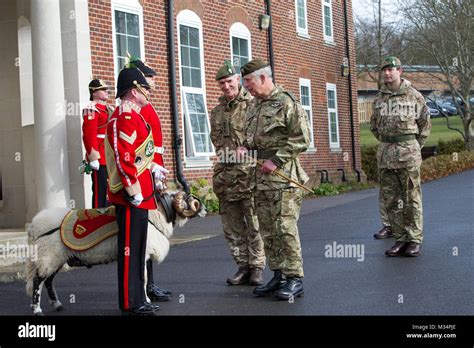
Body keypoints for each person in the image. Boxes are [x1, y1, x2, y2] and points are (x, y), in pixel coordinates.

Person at [238, 59, 310, 300]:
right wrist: (245, 149)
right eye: (244, 81)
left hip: (284, 178)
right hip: (260, 179)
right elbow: (253, 139)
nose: (245, 85)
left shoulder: (287, 103)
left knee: (285, 228)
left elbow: (301, 138)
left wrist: (276, 160)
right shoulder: (254, 106)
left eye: (248, 81)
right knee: (267, 229)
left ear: (263, 78)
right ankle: (278, 274)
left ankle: (294, 278)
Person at [104, 67, 164, 315]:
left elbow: (139, 154)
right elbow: (124, 156)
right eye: (145, 88)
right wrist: (132, 187)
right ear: (134, 90)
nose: (148, 92)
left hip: (140, 192)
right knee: (130, 249)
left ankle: (138, 297)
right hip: (131, 195)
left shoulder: (135, 115)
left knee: (138, 249)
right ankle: (131, 302)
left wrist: (153, 169)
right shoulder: (125, 116)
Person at [370, 56, 431, 257]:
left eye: (391, 69)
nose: (387, 73)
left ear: (400, 71)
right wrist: (389, 143)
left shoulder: (414, 96)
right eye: (384, 70)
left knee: (411, 197)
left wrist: (413, 146)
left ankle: (414, 239)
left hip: (408, 155)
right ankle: (400, 238)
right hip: (386, 156)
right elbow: (374, 127)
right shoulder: (379, 99)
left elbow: (425, 125)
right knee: (392, 200)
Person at [210, 61, 265, 286]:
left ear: (238, 80)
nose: (226, 86)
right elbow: (216, 140)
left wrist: (251, 151)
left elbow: (262, 138)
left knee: (253, 222)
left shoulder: (253, 105)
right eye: (222, 83)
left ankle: (258, 267)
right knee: (231, 225)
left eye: (229, 81)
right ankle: (242, 266)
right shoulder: (217, 111)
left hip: (248, 174)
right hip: (225, 176)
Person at [125, 57, 171, 302]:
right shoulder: (138, 109)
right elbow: (143, 149)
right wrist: (154, 173)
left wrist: (159, 171)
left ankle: (149, 285)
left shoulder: (147, 107)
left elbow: (155, 148)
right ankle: (146, 287)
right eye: (148, 80)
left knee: (149, 235)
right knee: (145, 236)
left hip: (152, 172)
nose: (151, 85)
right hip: (143, 177)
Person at [82, 79, 113, 208]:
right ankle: (97, 218)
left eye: (106, 89)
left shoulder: (109, 109)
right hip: (99, 156)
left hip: (109, 155)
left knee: (109, 190)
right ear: (94, 92)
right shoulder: (90, 109)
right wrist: (93, 157)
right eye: (103, 89)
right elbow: (88, 134)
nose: (107, 91)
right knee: (100, 192)